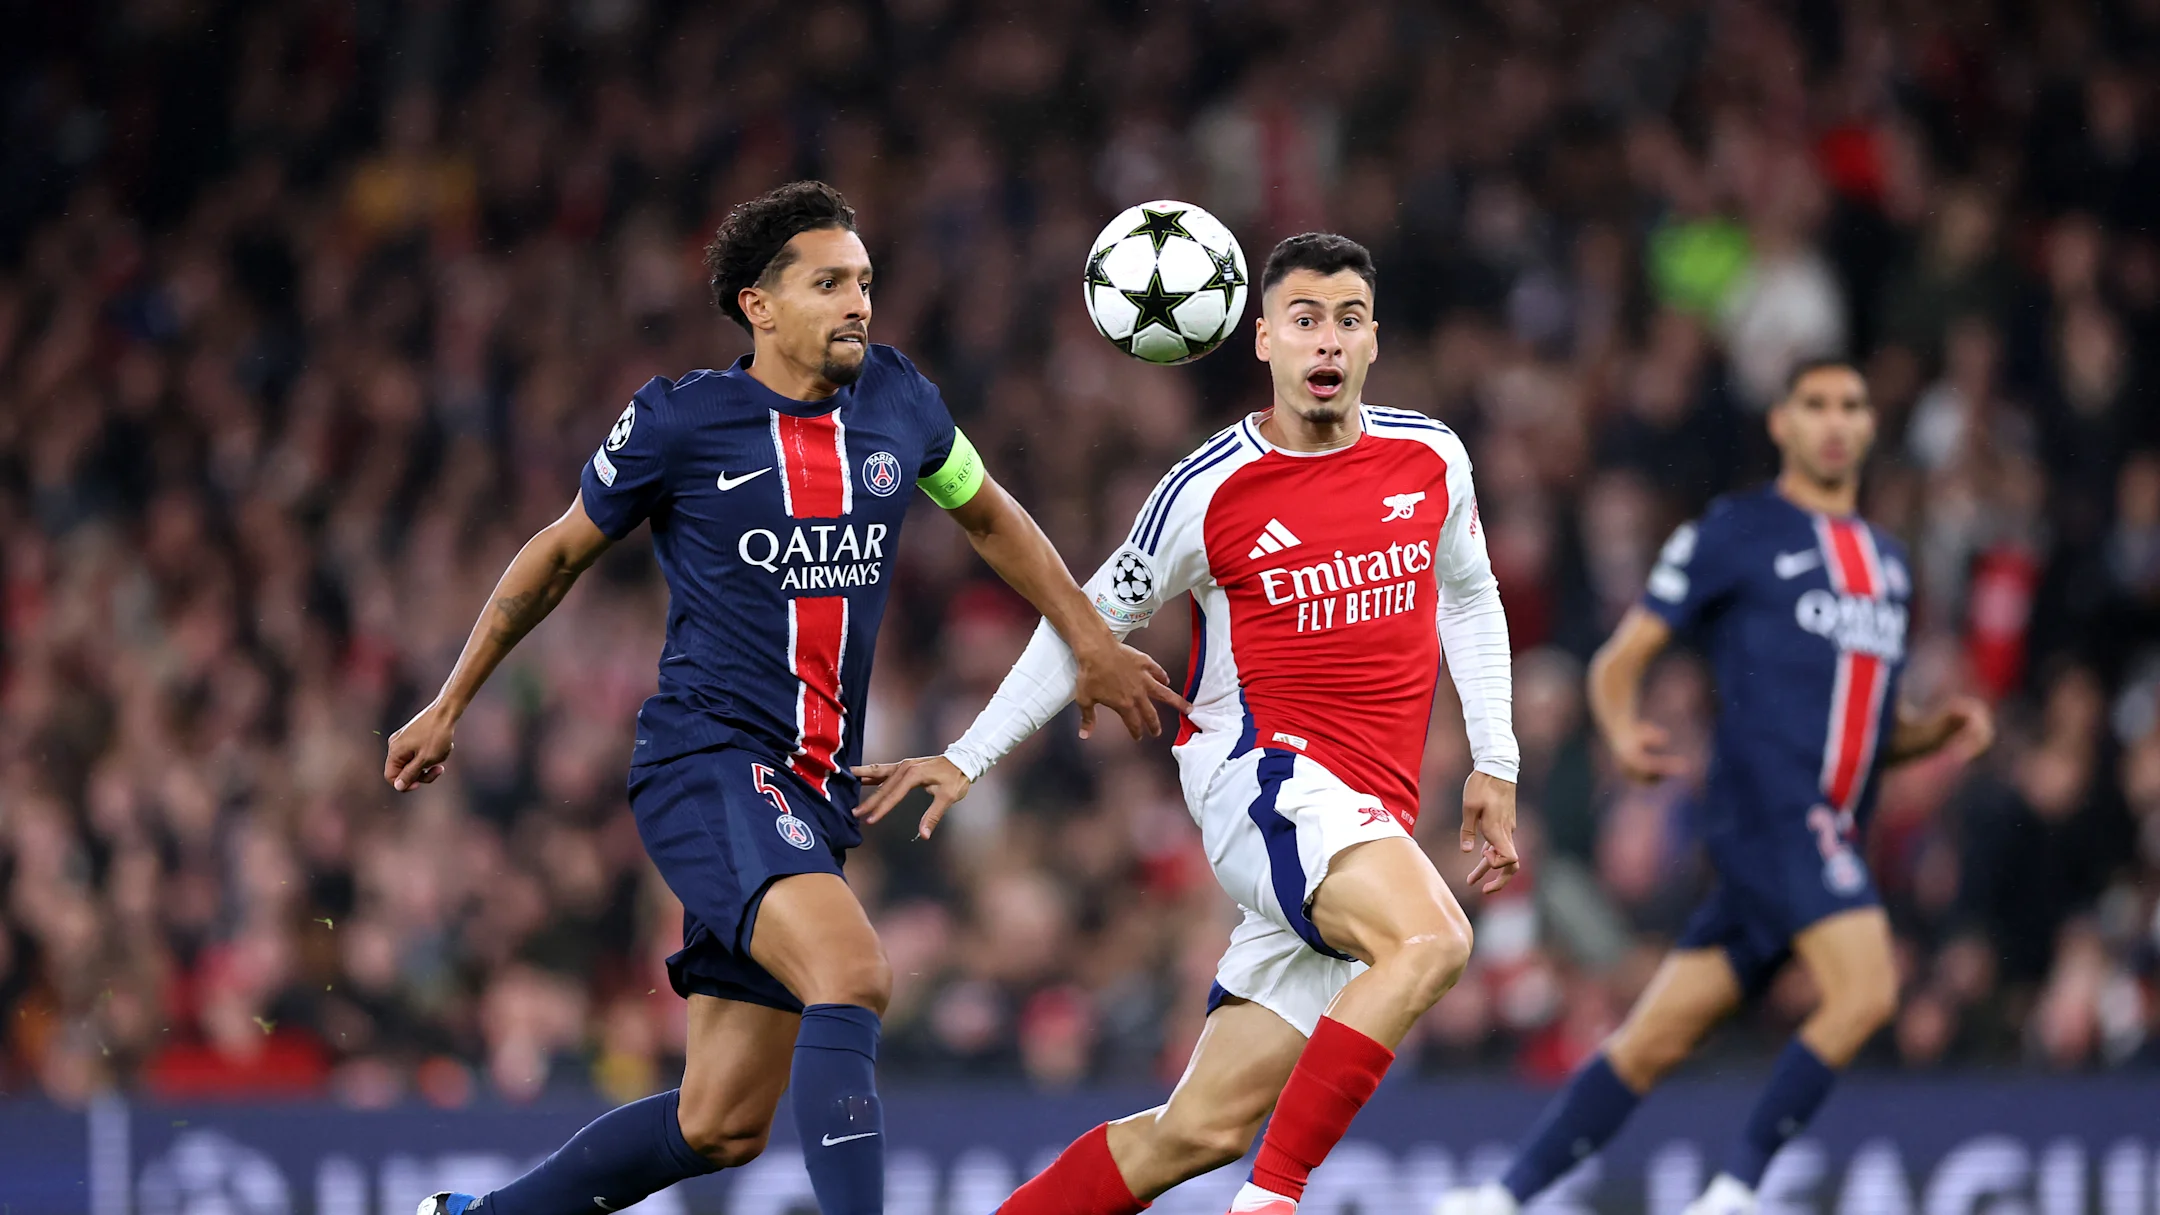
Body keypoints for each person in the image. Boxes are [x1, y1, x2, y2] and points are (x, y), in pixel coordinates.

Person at [383, 181, 1182, 1215]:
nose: (859, 302)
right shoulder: (683, 422)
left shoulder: (901, 400)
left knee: (717, 1123)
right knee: (852, 971)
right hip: (705, 763)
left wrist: (1087, 638)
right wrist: (451, 701)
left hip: (813, 788)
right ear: (759, 305)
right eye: (829, 283)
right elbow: (554, 558)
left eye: (865, 282)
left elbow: (989, 517)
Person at [854, 231, 1521, 1215]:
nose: (1326, 341)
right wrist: (968, 755)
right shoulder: (1208, 489)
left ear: (1373, 340)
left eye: (1346, 321)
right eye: (1304, 321)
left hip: (1364, 809)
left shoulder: (1431, 457)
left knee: (1196, 1130)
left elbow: (1468, 597)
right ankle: (1272, 1205)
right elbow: (1086, 621)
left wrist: (1496, 759)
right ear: (1263, 341)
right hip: (1265, 779)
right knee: (1430, 943)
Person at [1438, 360, 1995, 1215]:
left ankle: (1499, 1196)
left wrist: (1932, 733)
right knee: (1869, 987)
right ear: (1781, 423)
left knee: (1654, 1037)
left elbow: (1864, 727)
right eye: (1816, 404)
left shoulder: (1889, 563)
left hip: (1822, 835)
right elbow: (1622, 660)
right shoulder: (1738, 530)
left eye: (1852, 404)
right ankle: (1734, 1192)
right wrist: (1622, 728)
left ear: (1870, 426)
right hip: (1769, 812)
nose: (1836, 420)